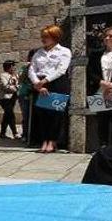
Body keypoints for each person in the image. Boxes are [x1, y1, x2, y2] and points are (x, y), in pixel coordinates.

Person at [28, 25, 72, 154]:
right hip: (40, 84)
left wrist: (44, 81)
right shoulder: (38, 52)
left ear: (55, 37)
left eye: (46, 37)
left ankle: (53, 141)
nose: (43, 39)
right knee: (42, 115)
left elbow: (61, 69)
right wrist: (37, 83)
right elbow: (32, 69)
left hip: (57, 83)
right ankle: (44, 140)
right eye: (42, 37)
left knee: (55, 115)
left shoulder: (64, 51)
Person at [96, 26, 112, 146]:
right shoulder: (97, 54)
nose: (107, 38)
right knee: (102, 121)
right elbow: (91, 72)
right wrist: (101, 82)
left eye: (111, 36)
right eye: (105, 36)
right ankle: (103, 148)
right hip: (101, 91)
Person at [0, 60, 21, 139]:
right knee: (10, 114)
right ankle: (15, 133)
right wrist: (16, 88)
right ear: (9, 67)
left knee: (7, 115)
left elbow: (19, 84)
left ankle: (2, 133)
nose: (14, 68)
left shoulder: (15, 75)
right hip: (5, 98)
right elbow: (5, 87)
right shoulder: (3, 75)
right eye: (13, 66)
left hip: (12, 98)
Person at [18, 49, 37, 142]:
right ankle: (25, 134)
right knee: (26, 115)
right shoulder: (25, 67)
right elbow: (20, 79)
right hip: (25, 94)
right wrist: (27, 68)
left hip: (36, 93)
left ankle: (33, 135)